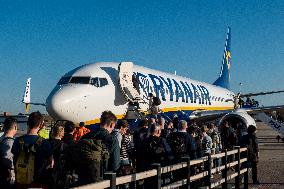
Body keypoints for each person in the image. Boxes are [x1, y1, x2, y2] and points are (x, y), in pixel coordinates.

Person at [70, 111, 120, 186]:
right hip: (101, 178)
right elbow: (115, 165)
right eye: (113, 127)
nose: (112, 129)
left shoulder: (86, 136)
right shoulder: (112, 140)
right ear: (111, 124)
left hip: (82, 176)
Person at [12, 111, 45, 188]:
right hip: (37, 183)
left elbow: (13, 156)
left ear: (28, 123)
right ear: (40, 125)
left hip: (20, 181)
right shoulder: (44, 143)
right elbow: (51, 162)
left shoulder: (18, 141)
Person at [37, 124, 66, 188]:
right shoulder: (64, 146)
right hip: (58, 174)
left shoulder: (44, 142)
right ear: (62, 134)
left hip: (44, 172)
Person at [0, 117, 17, 188]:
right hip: (8, 177)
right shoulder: (10, 142)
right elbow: (7, 158)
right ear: (15, 127)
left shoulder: (1, 138)